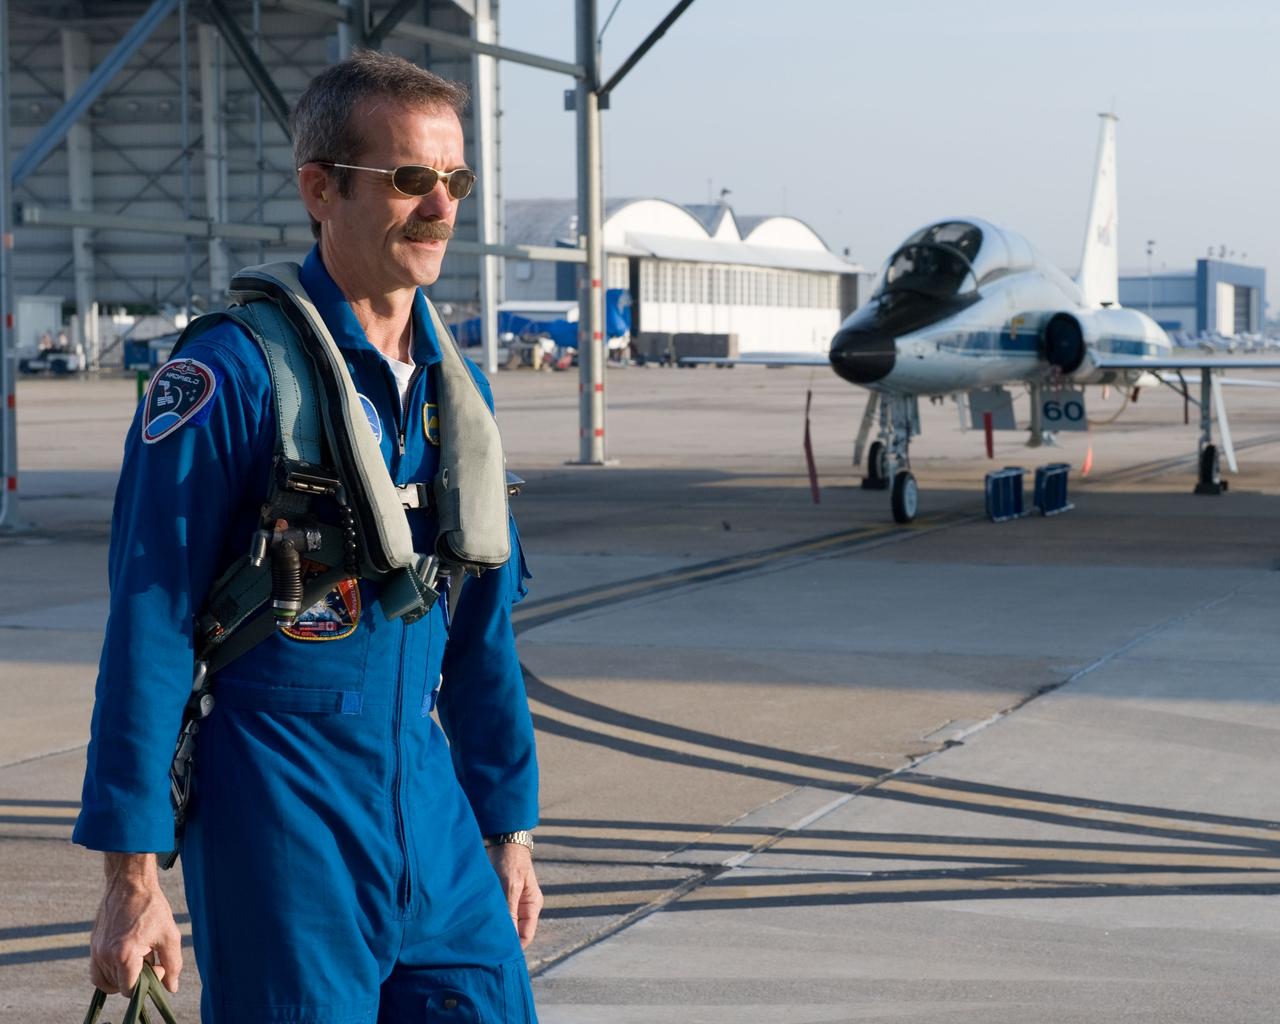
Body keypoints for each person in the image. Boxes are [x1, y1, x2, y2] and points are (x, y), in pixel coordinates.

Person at [74, 50, 542, 1023]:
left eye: (454, 181)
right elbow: (149, 625)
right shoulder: (230, 377)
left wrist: (506, 825)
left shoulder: (459, 397)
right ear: (318, 189)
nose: (441, 208)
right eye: (409, 179)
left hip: (429, 802)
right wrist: (132, 873)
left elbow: (481, 631)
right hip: (283, 804)